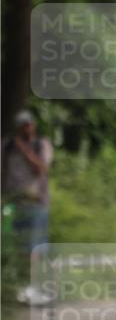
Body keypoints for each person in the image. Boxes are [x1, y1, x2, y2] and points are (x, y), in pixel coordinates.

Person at [1, 111, 53, 287]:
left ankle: (38, 284)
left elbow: (41, 168)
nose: (26, 128)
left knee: (35, 247)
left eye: (29, 124)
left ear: (33, 125)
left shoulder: (41, 145)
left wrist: (23, 148)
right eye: (23, 125)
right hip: (14, 203)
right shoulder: (7, 146)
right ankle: (21, 285)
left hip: (36, 203)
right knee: (17, 245)